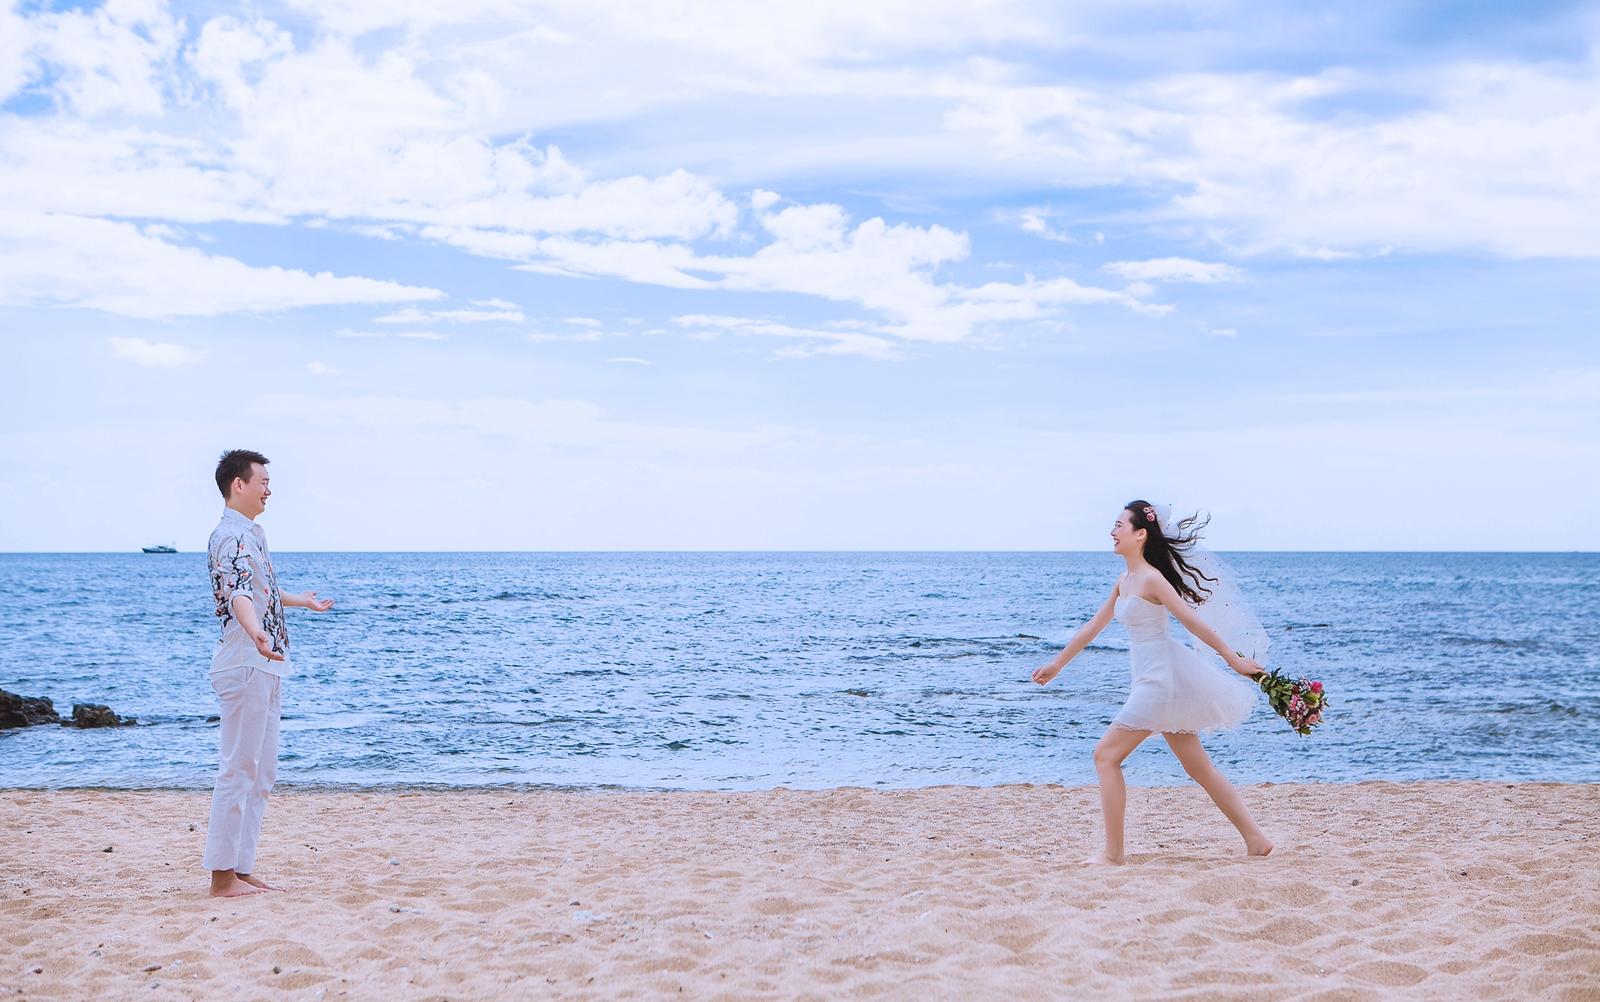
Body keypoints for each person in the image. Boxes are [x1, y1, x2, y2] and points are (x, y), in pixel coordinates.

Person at [1032, 500, 1273, 866]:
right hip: (1155, 680)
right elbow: (1091, 629)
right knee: (1199, 769)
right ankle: (1256, 839)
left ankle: (1113, 855)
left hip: (1158, 683)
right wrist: (1057, 664)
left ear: (1140, 534)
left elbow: (1192, 621)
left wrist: (1231, 658)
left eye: (1118, 526)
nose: (1112, 532)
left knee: (1105, 756)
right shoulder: (1124, 582)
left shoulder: (1151, 579)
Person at [203, 449, 334, 897]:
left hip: (264, 664)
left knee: (261, 774)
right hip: (245, 662)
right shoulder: (230, 537)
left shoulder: (250, 535)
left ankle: (240, 869)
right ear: (238, 485)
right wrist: (257, 632)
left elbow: (259, 587)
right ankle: (222, 877)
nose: (268, 489)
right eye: (262, 481)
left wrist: (300, 600)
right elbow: (239, 593)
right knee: (239, 770)